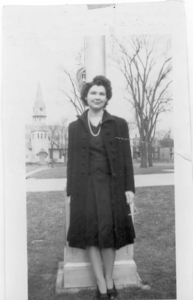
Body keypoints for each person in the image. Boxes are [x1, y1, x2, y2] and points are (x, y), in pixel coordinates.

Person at [66, 75, 135, 300]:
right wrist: (70, 192)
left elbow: (126, 159)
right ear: (86, 96)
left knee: (109, 234)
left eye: (102, 94)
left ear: (107, 98)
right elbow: (72, 161)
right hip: (84, 189)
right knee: (90, 235)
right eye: (93, 93)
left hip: (111, 188)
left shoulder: (119, 124)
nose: (97, 97)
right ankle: (101, 284)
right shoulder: (75, 127)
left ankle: (109, 278)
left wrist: (129, 189)